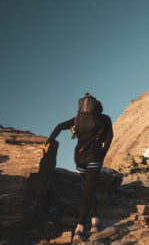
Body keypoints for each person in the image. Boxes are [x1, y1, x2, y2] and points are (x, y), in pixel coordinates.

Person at [45, 93, 113, 243]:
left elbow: (59, 127)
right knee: (88, 191)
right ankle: (79, 229)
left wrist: (48, 142)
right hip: (94, 155)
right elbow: (109, 137)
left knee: (89, 188)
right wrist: (102, 154)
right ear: (98, 109)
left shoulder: (77, 120)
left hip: (78, 157)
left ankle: (95, 222)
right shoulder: (104, 119)